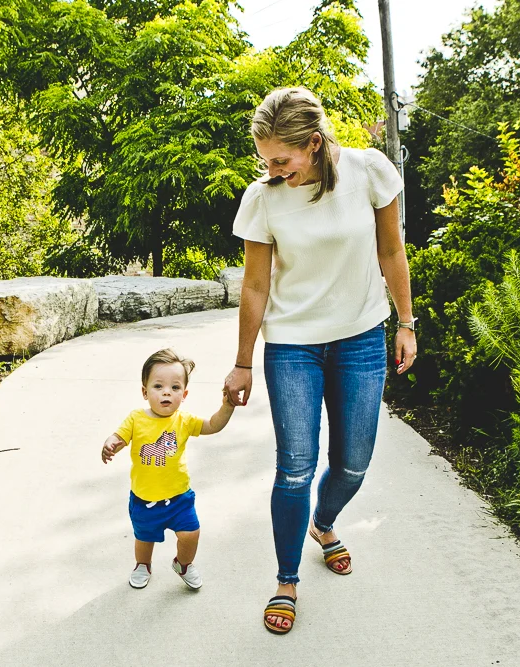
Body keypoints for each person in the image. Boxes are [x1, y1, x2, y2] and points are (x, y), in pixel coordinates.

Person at [223, 87, 417, 635]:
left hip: (359, 338)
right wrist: (241, 361)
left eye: (281, 160)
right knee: (295, 467)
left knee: (353, 462)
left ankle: (324, 522)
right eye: (265, 160)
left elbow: (391, 251)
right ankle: (286, 580)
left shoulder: (369, 171)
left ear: (313, 143)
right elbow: (256, 286)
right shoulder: (262, 198)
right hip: (292, 346)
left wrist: (406, 323)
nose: (272, 169)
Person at [102, 348, 235, 590]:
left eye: (175, 388)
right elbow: (120, 437)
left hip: (179, 497)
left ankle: (183, 564)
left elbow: (213, 425)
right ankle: (143, 564)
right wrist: (111, 443)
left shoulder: (184, 421)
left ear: (184, 394)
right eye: (158, 386)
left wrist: (227, 406)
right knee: (144, 538)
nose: (166, 392)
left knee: (191, 534)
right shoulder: (136, 418)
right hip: (145, 499)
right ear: (145, 392)